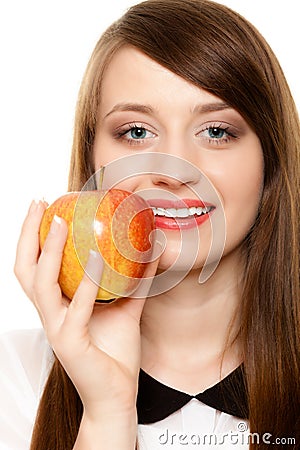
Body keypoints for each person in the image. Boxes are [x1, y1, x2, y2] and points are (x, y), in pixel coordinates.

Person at [1, 0, 299, 448]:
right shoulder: (14, 378)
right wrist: (105, 415)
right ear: (93, 159)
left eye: (216, 131)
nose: (174, 170)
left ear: (269, 162)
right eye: (137, 132)